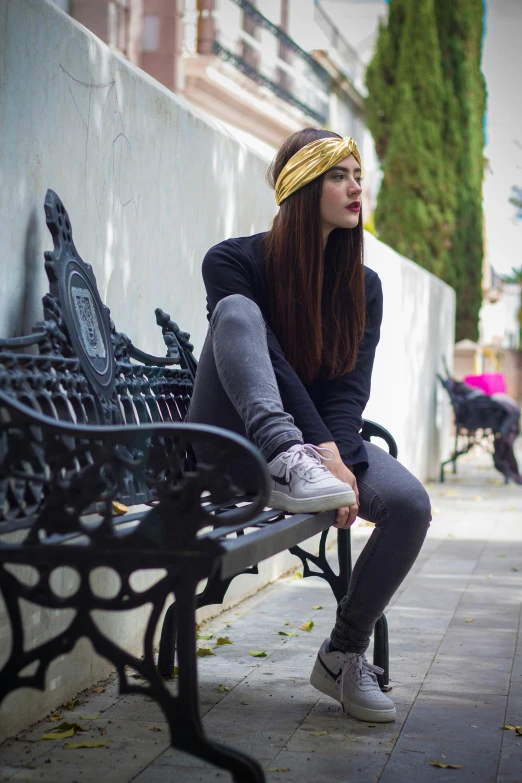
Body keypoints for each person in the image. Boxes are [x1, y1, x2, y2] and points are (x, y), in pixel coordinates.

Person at [186, 128, 432, 723]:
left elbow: (347, 390)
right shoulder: (232, 260)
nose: (355, 189)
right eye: (338, 176)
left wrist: (337, 456)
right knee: (238, 313)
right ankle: (287, 455)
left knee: (408, 505)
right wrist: (317, 449)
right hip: (233, 442)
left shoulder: (362, 286)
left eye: (357, 177)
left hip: (314, 450)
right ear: (301, 185)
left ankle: (343, 656)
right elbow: (269, 363)